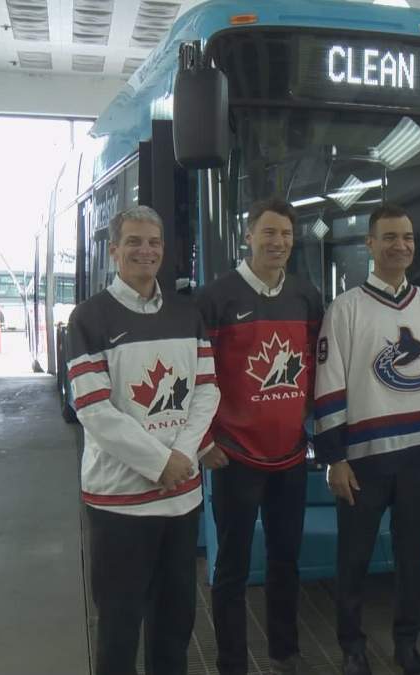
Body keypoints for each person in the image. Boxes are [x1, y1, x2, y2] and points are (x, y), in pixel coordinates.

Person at [66, 205, 221, 675]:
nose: (145, 250)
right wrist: (160, 462)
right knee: (119, 624)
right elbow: (93, 408)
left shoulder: (186, 314)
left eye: (153, 242)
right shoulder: (89, 319)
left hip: (181, 500)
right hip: (119, 503)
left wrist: (182, 455)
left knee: (175, 623)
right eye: (133, 241)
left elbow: (207, 388)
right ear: (113, 250)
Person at [314, 203, 420, 675]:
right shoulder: (345, 309)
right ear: (370, 244)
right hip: (364, 460)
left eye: (409, 238)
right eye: (390, 237)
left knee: (412, 558)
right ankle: (352, 645)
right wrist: (334, 458)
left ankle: (406, 643)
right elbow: (329, 384)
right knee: (353, 558)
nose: (401, 246)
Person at [195, 198, 324, 675]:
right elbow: (196, 372)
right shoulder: (216, 298)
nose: (278, 242)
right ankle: (232, 663)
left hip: (290, 456)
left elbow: (316, 368)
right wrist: (205, 440)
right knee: (231, 568)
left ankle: (285, 652)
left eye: (286, 235)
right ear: (247, 236)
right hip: (234, 457)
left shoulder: (307, 297)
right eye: (269, 233)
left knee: (286, 559)